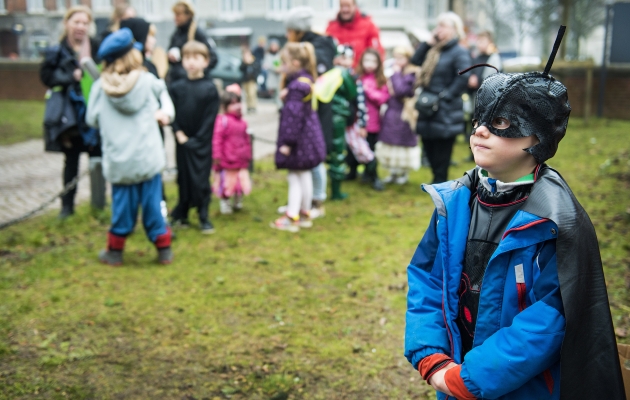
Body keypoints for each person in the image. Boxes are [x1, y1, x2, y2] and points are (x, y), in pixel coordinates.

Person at [404, 35, 625, 398]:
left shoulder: (556, 220)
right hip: (452, 372)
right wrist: (431, 356)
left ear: (538, 135)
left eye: (502, 121)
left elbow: (550, 316)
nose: (480, 130)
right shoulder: (455, 203)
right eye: (479, 118)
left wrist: (472, 379)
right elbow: (428, 279)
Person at [86, 28, 174, 266]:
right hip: (147, 158)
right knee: (152, 204)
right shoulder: (147, 82)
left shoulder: (99, 89)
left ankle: (115, 252)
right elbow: (167, 105)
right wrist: (163, 114)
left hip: (119, 160)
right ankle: (164, 249)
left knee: (122, 208)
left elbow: (91, 119)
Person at [40, 5, 103, 219]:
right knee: (72, 160)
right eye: (77, 22)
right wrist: (70, 77)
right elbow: (46, 77)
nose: (81, 27)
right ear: (67, 23)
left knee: (97, 157)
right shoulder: (57, 51)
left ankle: (99, 202)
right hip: (71, 116)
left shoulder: (95, 47)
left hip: (93, 111)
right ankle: (67, 206)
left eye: (85, 23)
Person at [285, 6, 336, 217]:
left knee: (315, 157)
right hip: (305, 112)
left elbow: (318, 75)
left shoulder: (316, 46)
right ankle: (302, 202)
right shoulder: (310, 45)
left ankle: (317, 202)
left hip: (316, 113)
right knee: (305, 158)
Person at [271, 42, 326, 232]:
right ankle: (305, 212)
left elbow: (292, 118)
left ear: (294, 63)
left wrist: (287, 143)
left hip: (298, 142)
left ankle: (291, 215)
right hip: (307, 140)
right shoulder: (306, 81)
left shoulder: (296, 87)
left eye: (283, 62)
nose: (281, 66)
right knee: (305, 176)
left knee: (294, 177)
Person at [411, 12, 471, 184]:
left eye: (443, 26)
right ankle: (436, 180)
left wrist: (446, 97)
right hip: (427, 106)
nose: (438, 30)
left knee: (442, 151)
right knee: (428, 146)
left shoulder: (459, 51)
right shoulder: (433, 49)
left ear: (454, 30)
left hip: (446, 109)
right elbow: (415, 61)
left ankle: (440, 183)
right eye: (438, 26)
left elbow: (463, 76)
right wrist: (427, 43)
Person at [168, 41, 219, 234]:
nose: (191, 62)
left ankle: (203, 213)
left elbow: (210, 117)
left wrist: (198, 139)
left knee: (200, 179)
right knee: (184, 177)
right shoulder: (177, 86)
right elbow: (171, 111)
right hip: (182, 141)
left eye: (196, 58)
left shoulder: (209, 88)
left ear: (205, 61)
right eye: (188, 57)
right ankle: (182, 212)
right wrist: (178, 133)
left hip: (201, 144)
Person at [376, 45, 421, 185]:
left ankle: (403, 173)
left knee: (403, 141)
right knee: (390, 141)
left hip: (404, 112)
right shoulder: (396, 70)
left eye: (400, 58)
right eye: (396, 57)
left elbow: (401, 90)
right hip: (392, 110)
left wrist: (395, 75)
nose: (397, 61)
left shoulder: (412, 73)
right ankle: (393, 172)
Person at [347, 48, 389, 191]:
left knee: (369, 149)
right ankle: (352, 171)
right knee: (352, 148)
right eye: (367, 60)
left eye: (373, 61)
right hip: (354, 121)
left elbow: (383, 98)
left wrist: (368, 91)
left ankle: (371, 175)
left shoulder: (380, 80)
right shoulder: (356, 77)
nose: (370, 64)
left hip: (372, 123)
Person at [212, 84, 252, 215]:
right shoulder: (222, 121)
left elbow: (246, 139)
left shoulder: (243, 122)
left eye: (238, 103)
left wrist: (248, 154)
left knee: (240, 182)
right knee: (227, 183)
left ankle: (237, 200)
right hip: (227, 160)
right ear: (224, 107)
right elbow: (217, 140)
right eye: (232, 104)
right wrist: (216, 156)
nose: (237, 106)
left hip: (240, 159)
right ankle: (225, 202)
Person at [167, 0, 218, 84]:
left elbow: (213, 57)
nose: (175, 18)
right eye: (175, 15)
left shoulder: (197, 33)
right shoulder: (176, 33)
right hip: (177, 83)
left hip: (193, 83)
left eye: (178, 15)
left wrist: (197, 72)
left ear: (188, 15)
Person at [325, 0, 384, 67]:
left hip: (361, 74)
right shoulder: (331, 27)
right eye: (342, 6)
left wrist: (354, 64)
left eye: (348, 6)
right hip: (336, 71)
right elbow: (325, 52)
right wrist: (333, 61)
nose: (345, 9)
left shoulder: (368, 25)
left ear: (354, 6)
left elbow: (376, 55)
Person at [262, 39, 282, 108]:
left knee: (279, 91)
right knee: (273, 91)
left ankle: (280, 106)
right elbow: (266, 65)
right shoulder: (268, 55)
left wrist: (280, 68)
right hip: (272, 76)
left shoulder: (280, 54)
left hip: (279, 76)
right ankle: (277, 104)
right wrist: (274, 68)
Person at [240, 46, 260, 114]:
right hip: (245, 80)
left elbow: (257, 69)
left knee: (252, 94)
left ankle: (253, 106)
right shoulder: (243, 61)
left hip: (252, 80)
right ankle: (248, 107)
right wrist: (245, 63)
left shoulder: (254, 60)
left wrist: (250, 63)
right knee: (247, 94)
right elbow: (240, 69)